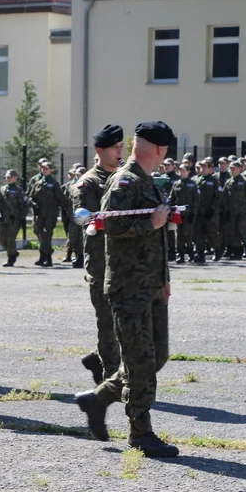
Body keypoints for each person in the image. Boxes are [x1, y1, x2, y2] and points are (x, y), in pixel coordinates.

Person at [75, 120, 179, 459]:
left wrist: (163, 279)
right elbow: (112, 224)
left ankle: (99, 398)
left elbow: (157, 237)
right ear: (161, 150)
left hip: (150, 284)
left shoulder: (146, 181)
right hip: (128, 286)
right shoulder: (125, 181)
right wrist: (151, 223)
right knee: (140, 360)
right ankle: (140, 432)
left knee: (156, 354)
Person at [72, 125, 124, 386]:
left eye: (122, 147)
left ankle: (99, 360)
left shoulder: (125, 177)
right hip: (102, 262)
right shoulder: (88, 183)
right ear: (99, 150)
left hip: (125, 261)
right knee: (107, 321)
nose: (120, 152)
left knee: (123, 322)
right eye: (115, 147)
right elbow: (91, 221)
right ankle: (111, 380)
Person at [26, 159, 68, 267]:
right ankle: (43, 256)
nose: (44, 170)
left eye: (46, 168)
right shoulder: (37, 181)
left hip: (50, 214)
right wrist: (33, 204)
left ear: (50, 170)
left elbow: (61, 198)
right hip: (39, 214)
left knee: (46, 236)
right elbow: (30, 195)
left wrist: (66, 209)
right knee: (40, 234)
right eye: (43, 168)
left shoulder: (54, 183)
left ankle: (48, 259)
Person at [221, 159, 246, 260]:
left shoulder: (245, 181)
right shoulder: (228, 182)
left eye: (233, 168)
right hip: (232, 212)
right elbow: (225, 197)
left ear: (239, 169)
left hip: (243, 211)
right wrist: (226, 210)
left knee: (242, 230)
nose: (231, 170)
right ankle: (237, 251)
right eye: (230, 168)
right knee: (233, 231)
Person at [168, 163, 200, 264]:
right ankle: (180, 255)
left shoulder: (192, 184)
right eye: (180, 171)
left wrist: (193, 212)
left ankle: (191, 254)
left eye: (183, 171)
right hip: (178, 214)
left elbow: (196, 200)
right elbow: (171, 198)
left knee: (188, 234)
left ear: (188, 172)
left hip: (189, 214)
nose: (181, 173)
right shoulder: (176, 184)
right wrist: (170, 209)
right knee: (179, 235)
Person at [0, 170, 28, 267]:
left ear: (15, 178)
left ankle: (10, 259)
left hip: (14, 218)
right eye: (7, 177)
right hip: (3, 218)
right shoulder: (2, 189)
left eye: (10, 177)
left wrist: (22, 218)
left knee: (10, 239)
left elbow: (24, 205)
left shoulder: (19, 190)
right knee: (2, 240)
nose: (8, 179)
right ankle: (13, 252)